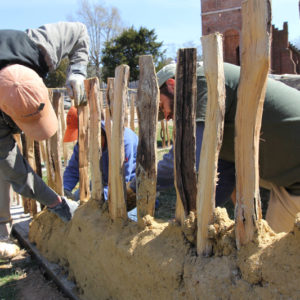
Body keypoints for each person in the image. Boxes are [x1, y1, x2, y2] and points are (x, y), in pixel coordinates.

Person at [131, 62, 300, 233]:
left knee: (275, 256)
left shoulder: (201, 80)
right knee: (274, 252)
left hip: (294, 170)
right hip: (289, 182)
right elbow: (224, 175)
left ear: (172, 85)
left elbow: (186, 155)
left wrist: (136, 186)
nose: (166, 117)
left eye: (161, 106)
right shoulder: (215, 116)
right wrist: (192, 218)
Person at [0, 21, 90, 258]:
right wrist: (55, 202)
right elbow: (15, 172)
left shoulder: (40, 47)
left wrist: (78, 71)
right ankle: (1, 231)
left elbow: (80, 31)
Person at [63, 106, 138, 210]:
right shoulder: (83, 141)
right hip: (102, 182)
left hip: (130, 186)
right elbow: (73, 168)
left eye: (83, 136)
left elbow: (121, 182)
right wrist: (65, 189)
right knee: (76, 199)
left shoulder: (122, 141)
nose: (82, 142)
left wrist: (93, 199)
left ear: (94, 129)